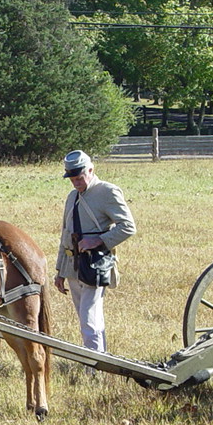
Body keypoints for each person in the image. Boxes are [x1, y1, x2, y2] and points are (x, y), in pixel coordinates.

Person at [54, 150, 136, 353]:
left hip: (94, 264)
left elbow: (127, 227)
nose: (76, 183)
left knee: (89, 321)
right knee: (88, 319)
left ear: (91, 170)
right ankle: (99, 359)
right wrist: (60, 271)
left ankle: (94, 366)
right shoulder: (72, 196)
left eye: (79, 178)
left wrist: (98, 240)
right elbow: (66, 234)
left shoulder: (108, 192)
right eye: (72, 179)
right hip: (73, 266)